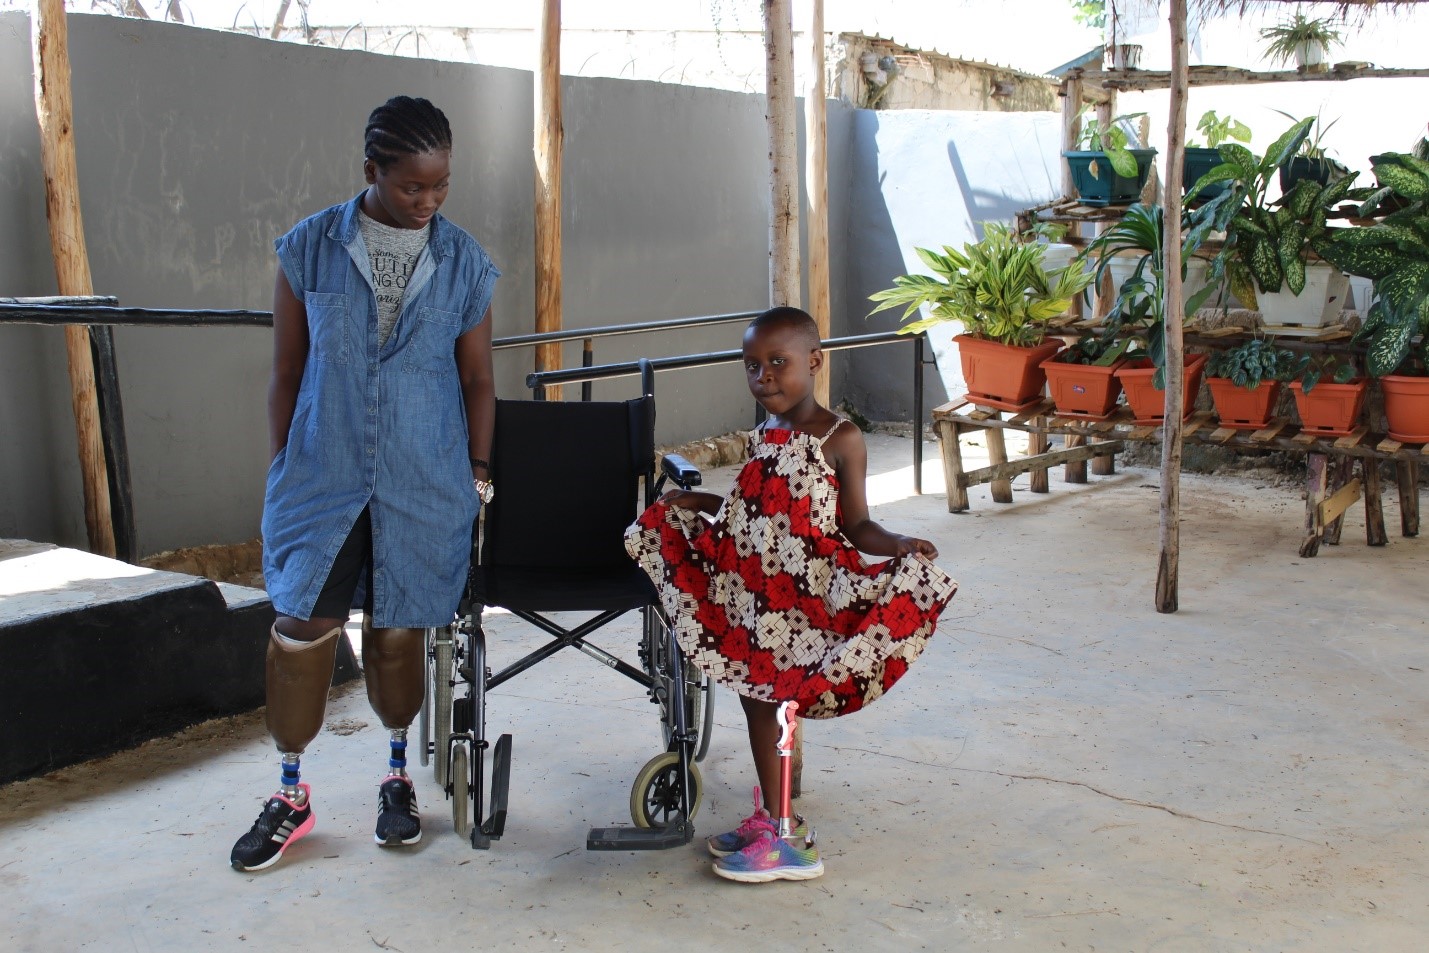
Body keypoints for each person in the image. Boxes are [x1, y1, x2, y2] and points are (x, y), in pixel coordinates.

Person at [230, 96, 500, 872]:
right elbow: (286, 370)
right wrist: (284, 464)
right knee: (301, 627)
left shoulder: (465, 262)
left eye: (440, 185)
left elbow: (477, 378)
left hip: (424, 475)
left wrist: (478, 470)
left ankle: (396, 779)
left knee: (398, 628)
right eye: (412, 185)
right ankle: (291, 792)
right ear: (371, 171)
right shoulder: (308, 248)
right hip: (323, 474)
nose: (427, 201)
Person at [624, 306, 958, 884]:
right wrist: (698, 504)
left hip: (803, 601)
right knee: (755, 701)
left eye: (779, 362)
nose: (765, 377)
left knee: (776, 705)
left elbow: (858, 525)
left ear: (815, 361)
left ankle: (789, 844)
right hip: (755, 594)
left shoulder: (838, 437)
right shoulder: (765, 434)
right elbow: (752, 512)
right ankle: (775, 818)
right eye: (752, 365)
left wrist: (899, 543)